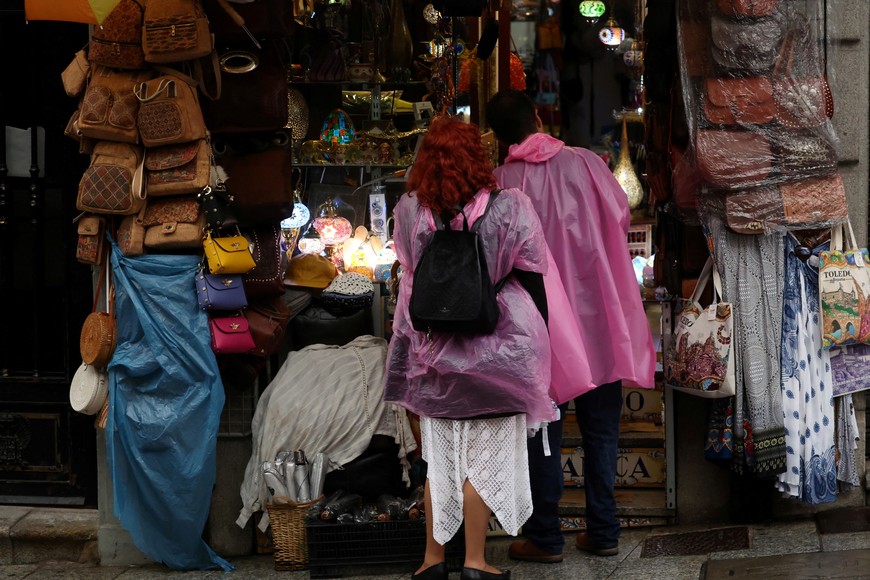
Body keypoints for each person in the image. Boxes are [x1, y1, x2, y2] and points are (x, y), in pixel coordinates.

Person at [383, 116, 557, 580]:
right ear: (477, 158)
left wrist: (405, 351)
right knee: (481, 462)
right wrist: (540, 344)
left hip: (434, 358)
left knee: (439, 462)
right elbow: (534, 281)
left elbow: (408, 287)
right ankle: (477, 562)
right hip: (500, 358)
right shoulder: (510, 206)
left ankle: (433, 561)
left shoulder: (408, 211)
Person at [486, 90, 655, 563]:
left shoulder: (501, 183)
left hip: (539, 324)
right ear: (538, 118)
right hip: (598, 313)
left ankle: (546, 536)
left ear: (499, 139)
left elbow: (496, 258)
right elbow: (622, 214)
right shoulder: (585, 163)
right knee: (602, 429)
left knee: (545, 431)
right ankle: (603, 530)